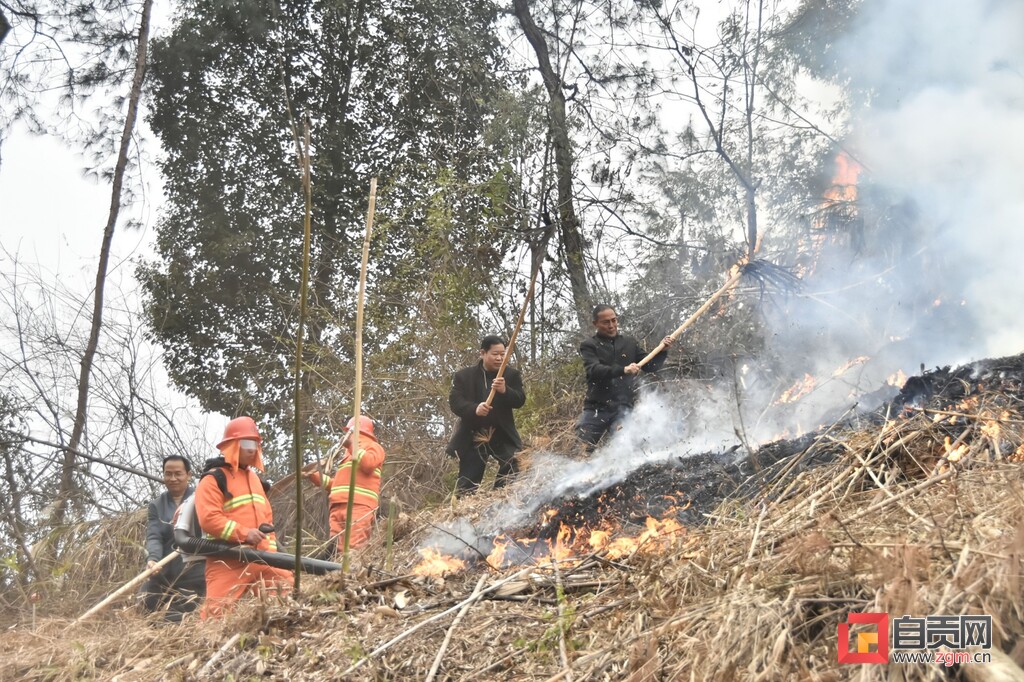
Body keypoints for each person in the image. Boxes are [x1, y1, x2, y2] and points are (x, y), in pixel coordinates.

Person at [195, 416, 292, 619]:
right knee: (216, 616)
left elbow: (267, 519)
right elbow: (209, 519)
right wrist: (244, 534)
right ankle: (209, 650)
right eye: (247, 443)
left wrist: (271, 549)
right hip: (228, 558)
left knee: (287, 601)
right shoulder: (213, 479)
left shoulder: (255, 480)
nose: (252, 449)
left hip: (263, 556)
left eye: (255, 444)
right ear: (232, 445)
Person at [576, 305, 674, 451]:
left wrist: (662, 350)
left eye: (614, 320)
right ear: (595, 324)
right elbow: (594, 370)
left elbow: (650, 366)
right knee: (581, 449)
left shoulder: (629, 343)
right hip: (596, 409)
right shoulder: (589, 345)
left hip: (623, 409)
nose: (611, 326)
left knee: (625, 451)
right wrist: (623, 370)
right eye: (606, 322)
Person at [446, 335, 526, 493]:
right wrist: (474, 409)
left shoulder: (511, 375)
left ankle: (499, 497)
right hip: (473, 436)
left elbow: (520, 400)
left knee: (515, 462)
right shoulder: (464, 376)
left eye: (503, 354)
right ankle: (463, 510)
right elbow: (455, 402)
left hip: (502, 433)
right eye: (495, 354)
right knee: (467, 482)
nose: (499, 358)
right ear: (483, 353)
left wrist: (505, 390)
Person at [139, 455, 206, 621]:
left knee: (177, 614)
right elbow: (154, 535)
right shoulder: (156, 505)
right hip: (165, 568)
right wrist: (153, 559)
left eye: (178, 474)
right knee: (146, 600)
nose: (173, 478)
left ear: (188, 475)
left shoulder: (200, 498)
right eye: (168, 474)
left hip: (195, 568)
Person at [305, 415, 386, 553]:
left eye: (349, 431)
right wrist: (315, 477)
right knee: (335, 548)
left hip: (358, 505)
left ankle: (350, 573)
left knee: (353, 548)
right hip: (338, 505)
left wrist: (352, 446)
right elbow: (338, 485)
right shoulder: (347, 454)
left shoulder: (373, 447)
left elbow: (369, 464)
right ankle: (334, 572)